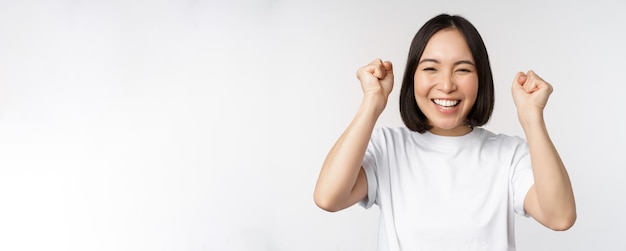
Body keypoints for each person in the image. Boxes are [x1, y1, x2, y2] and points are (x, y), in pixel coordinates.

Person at [313, 13, 576, 250]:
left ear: (481, 78)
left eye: (462, 69)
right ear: (412, 77)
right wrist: (372, 100)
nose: (447, 85)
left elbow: (560, 217)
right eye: (430, 68)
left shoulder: (509, 155)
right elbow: (328, 197)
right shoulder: (388, 147)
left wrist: (532, 118)